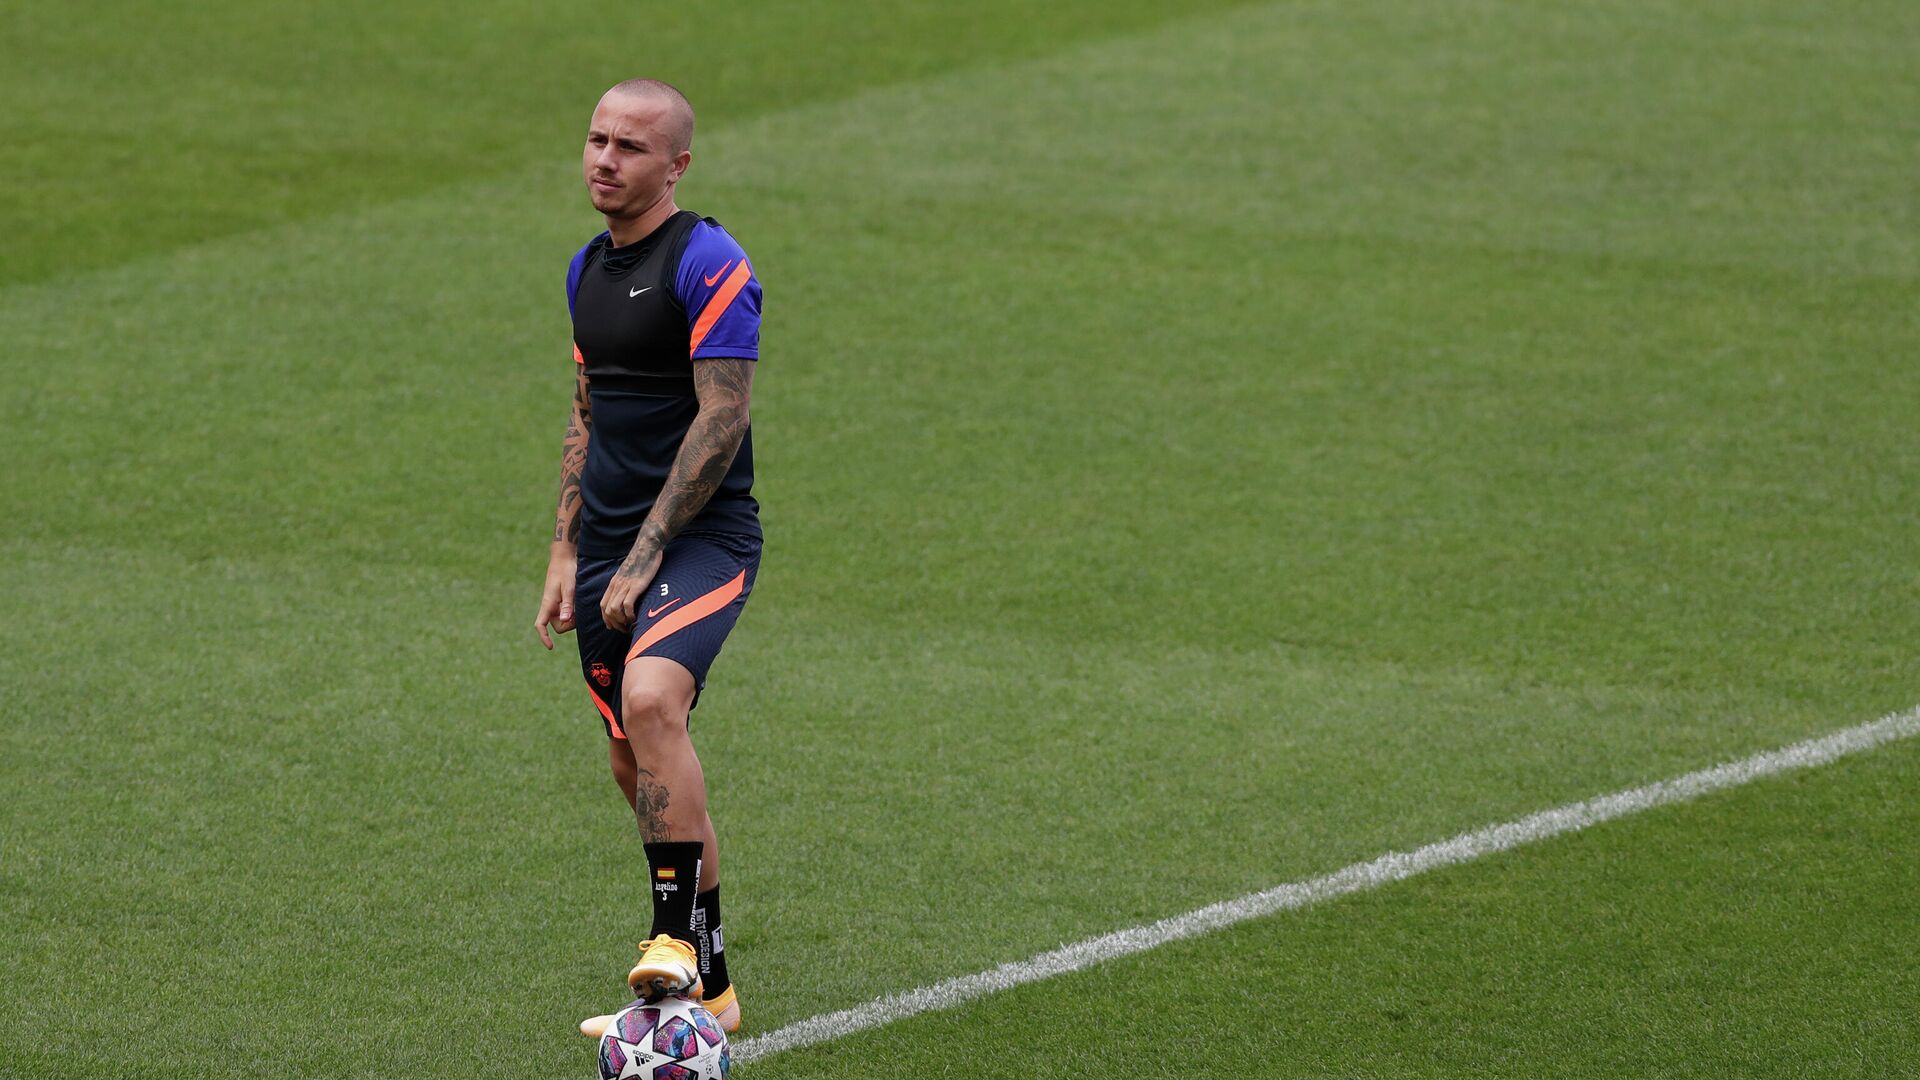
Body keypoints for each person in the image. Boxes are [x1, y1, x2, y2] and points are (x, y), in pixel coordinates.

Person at [533, 78, 762, 1037]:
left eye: (630, 146)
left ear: (676, 165)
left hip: (702, 540)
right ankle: (709, 984)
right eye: (596, 139)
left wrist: (646, 552)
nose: (605, 159)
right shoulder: (588, 268)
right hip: (607, 554)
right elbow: (589, 416)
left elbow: (724, 414)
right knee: (635, 766)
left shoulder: (708, 262)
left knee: (653, 702)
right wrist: (565, 548)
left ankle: (667, 939)